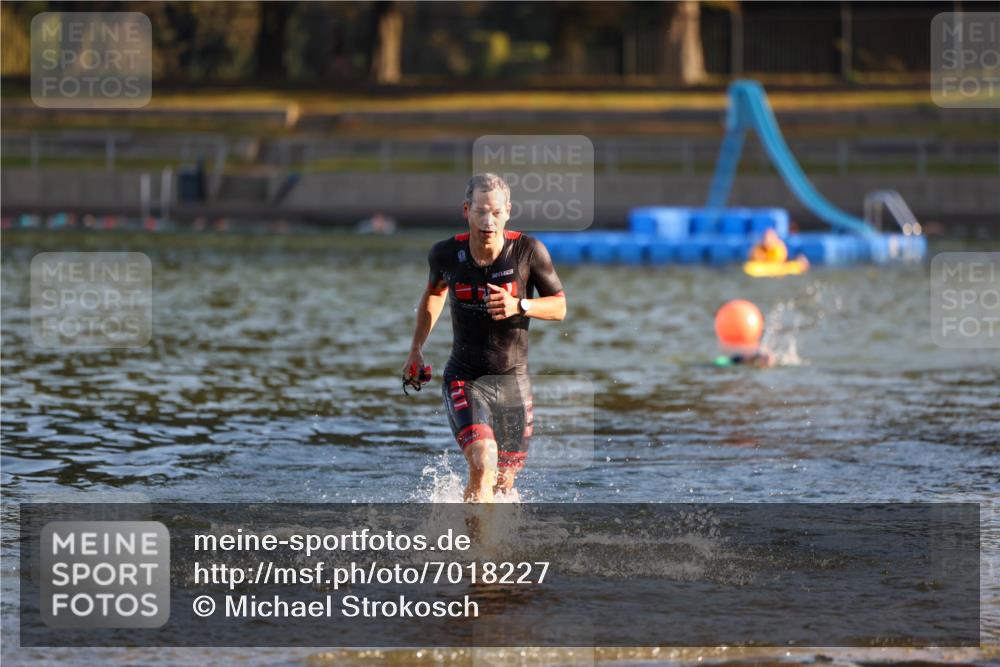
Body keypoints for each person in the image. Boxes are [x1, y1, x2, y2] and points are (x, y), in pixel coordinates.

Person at [403, 173, 567, 503]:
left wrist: (519, 304)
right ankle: (475, 554)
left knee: (504, 482)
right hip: (465, 377)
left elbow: (560, 307)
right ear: (466, 210)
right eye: (480, 211)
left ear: (508, 211)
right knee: (482, 461)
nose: (488, 221)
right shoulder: (445, 254)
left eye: (495, 212)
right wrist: (416, 350)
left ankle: (489, 544)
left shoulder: (528, 251)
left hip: (512, 381)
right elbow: (434, 294)